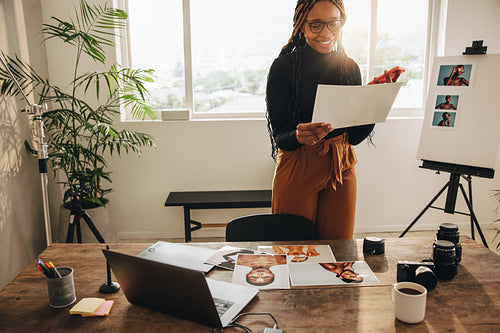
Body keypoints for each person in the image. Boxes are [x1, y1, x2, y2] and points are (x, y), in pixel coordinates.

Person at [265, 0, 400, 240]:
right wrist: (298, 135)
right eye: (315, 25)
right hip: (298, 163)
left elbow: (355, 138)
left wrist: (374, 104)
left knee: (340, 252)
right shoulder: (282, 68)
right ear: (301, 26)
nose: (326, 32)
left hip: (341, 162)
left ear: (341, 23)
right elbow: (280, 138)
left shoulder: (349, 68)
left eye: (333, 23)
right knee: (295, 252)